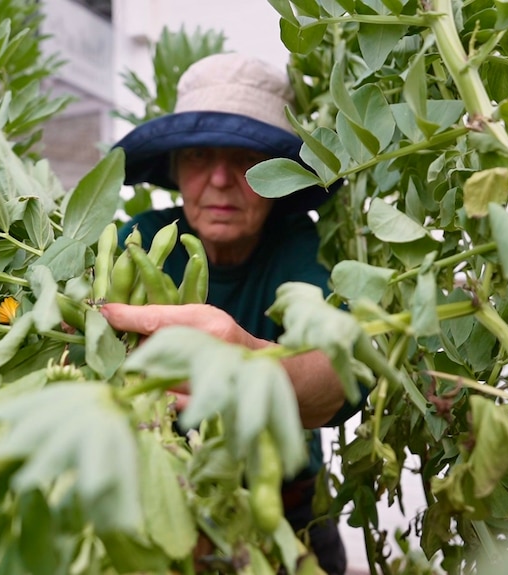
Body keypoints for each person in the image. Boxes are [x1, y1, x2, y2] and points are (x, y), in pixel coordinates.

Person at [102, 52, 364, 575]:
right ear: (175, 168)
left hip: (289, 513)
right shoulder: (140, 241)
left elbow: (337, 374)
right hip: (161, 506)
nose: (221, 179)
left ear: (283, 178)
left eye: (247, 158)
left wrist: (250, 363)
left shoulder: (304, 249)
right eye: (199, 154)